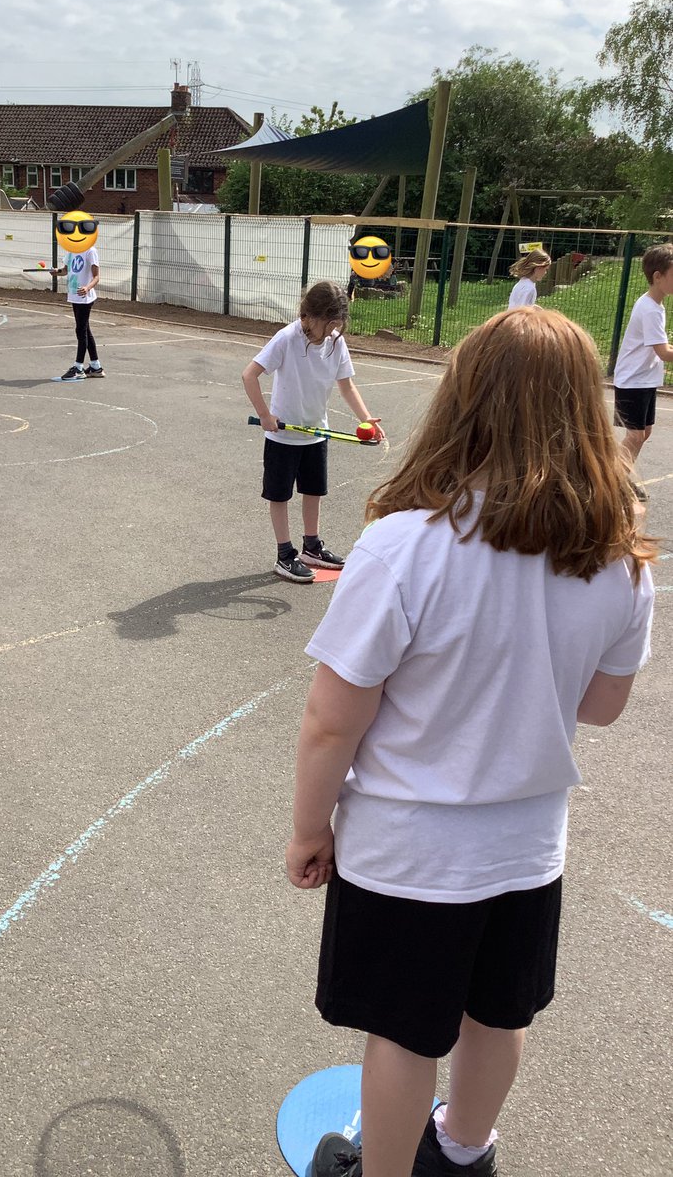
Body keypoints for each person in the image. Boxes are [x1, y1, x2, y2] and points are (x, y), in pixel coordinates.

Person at [286, 307, 655, 1177]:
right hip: (527, 848)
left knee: (405, 1035)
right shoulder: (620, 556)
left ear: (464, 399)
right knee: (498, 1017)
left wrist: (309, 831)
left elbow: (332, 720)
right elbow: (602, 708)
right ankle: (463, 1151)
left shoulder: (402, 545)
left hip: (409, 850)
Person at [241, 280, 381, 583]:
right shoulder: (287, 338)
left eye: (337, 324)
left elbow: (347, 385)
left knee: (313, 491)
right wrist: (265, 416)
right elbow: (249, 374)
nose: (333, 330)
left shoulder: (335, 341)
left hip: (317, 432)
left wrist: (367, 419)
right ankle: (285, 554)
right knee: (279, 495)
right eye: (328, 324)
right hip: (282, 435)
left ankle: (311, 547)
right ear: (310, 316)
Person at [613, 241, 673, 478]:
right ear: (658, 276)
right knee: (636, 435)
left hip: (644, 380)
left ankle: (620, 476)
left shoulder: (657, 305)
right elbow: (664, 353)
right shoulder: (648, 308)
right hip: (632, 381)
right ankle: (613, 480)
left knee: (644, 432)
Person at [50, 246, 103, 380]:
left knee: (80, 331)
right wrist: (57, 272)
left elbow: (96, 277)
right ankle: (95, 367)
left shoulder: (91, 251)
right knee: (85, 331)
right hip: (74, 296)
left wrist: (87, 288)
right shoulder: (71, 250)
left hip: (85, 298)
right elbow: (66, 270)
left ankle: (78, 368)